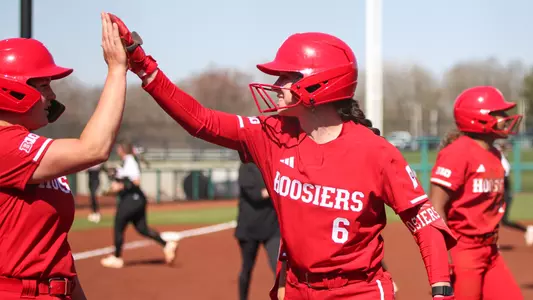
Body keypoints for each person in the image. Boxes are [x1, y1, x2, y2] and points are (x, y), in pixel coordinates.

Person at [108, 13, 457, 300]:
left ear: (321, 84)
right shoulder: (270, 134)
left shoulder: (377, 152)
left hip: (357, 291)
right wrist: (143, 66)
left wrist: (442, 289)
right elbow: (201, 120)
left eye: (287, 77)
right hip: (296, 288)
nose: (276, 85)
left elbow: (424, 223)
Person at [0, 13, 127, 300]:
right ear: (11, 89)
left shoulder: (30, 145)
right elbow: (93, 149)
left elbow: (55, 251)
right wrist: (117, 70)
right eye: (43, 85)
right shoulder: (4, 145)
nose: (52, 95)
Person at [429, 86, 524, 300]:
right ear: (477, 118)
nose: (505, 118)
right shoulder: (457, 153)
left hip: (490, 249)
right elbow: (436, 207)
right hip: (463, 250)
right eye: (497, 113)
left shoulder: (494, 154)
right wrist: (442, 259)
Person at [100, 141, 178, 268]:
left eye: (119, 148)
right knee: (142, 228)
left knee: (119, 224)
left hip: (132, 200)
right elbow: (123, 175)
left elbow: (135, 181)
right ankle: (167, 245)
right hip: (137, 199)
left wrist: (121, 186)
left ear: (122, 150)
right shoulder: (127, 162)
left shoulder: (130, 160)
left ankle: (117, 258)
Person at [236, 162, 280, 300]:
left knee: (278, 268)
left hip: (272, 227)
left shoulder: (273, 163)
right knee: (247, 269)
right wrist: (277, 187)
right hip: (249, 228)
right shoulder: (246, 167)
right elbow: (257, 195)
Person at [494, 139, 533, 245]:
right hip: (498, 193)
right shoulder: (497, 158)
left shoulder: (501, 160)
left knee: (504, 220)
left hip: (503, 193)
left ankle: (528, 230)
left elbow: (504, 177)